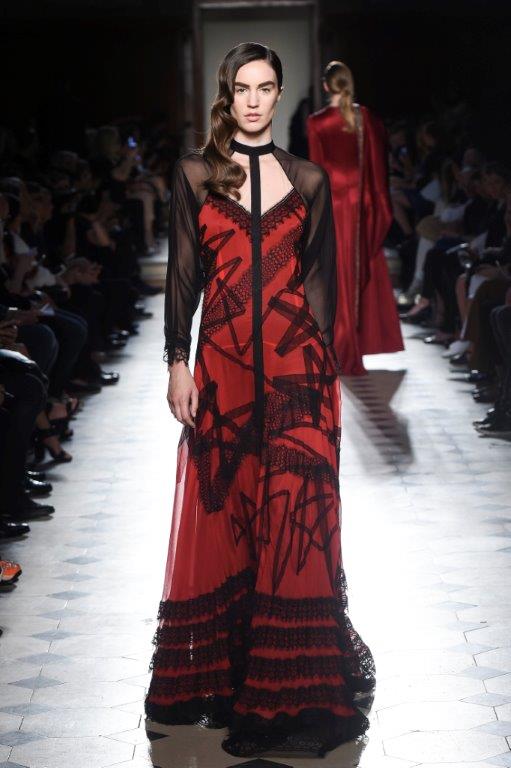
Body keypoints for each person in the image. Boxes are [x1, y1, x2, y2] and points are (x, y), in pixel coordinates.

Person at [144, 42, 375, 758]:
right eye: (241, 87)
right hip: (219, 373)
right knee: (227, 515)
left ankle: (292, 694)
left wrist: (322, 380)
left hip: (297, 376)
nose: (252, 99)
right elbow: (183, 277)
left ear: (279, 94)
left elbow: (320, 286)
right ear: (228, 93)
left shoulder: (308, 178)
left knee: (293, 523)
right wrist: (176, 363)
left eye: (265, 87)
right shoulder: (196, 174)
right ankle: (228, 678)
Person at [307, 60, 404, 375]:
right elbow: (378, 169)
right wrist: (377, 207)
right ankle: (349, 347)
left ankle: (338, 348)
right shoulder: (366, 118)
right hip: (361, 204)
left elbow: (317, 171)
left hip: (333, 203)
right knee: (354, 271)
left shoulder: (317, 122)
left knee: (335, 272)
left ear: (326, 86)